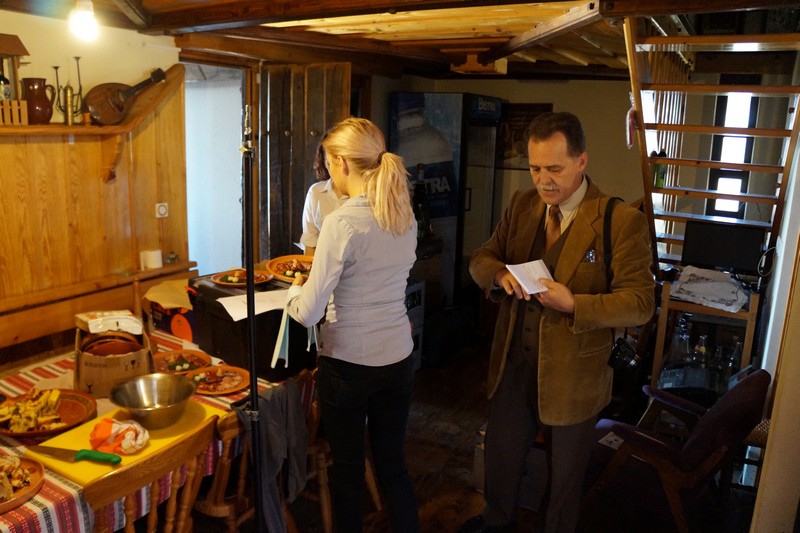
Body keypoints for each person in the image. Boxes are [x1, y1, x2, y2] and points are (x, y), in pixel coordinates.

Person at [462, 112, 655, 533]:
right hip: (514, 365)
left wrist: (574, 304)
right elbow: (481, 258)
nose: (543, 181)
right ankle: (496, 520)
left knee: (564, 484)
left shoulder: (620, 221)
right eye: (535, 169)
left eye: (554, 168)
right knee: (501, 458)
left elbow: (641, 303)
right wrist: (499, 274)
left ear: (581, 161)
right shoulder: (522, 204)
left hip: (575, 379)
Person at [285, 117, 420, 532]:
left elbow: (308, 312)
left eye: (329, 162)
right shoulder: (403, 214)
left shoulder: (342, 222)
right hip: (398, 357)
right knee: (393, 465)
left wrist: (293, 292)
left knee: (346, 472)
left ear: (342, 162)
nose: (329, 171)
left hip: (349, 363)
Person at [300, 135, 348, 256]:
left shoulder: (364, 196)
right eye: (328, 160)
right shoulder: (316, 192)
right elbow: (310, 242)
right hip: (322, 265)